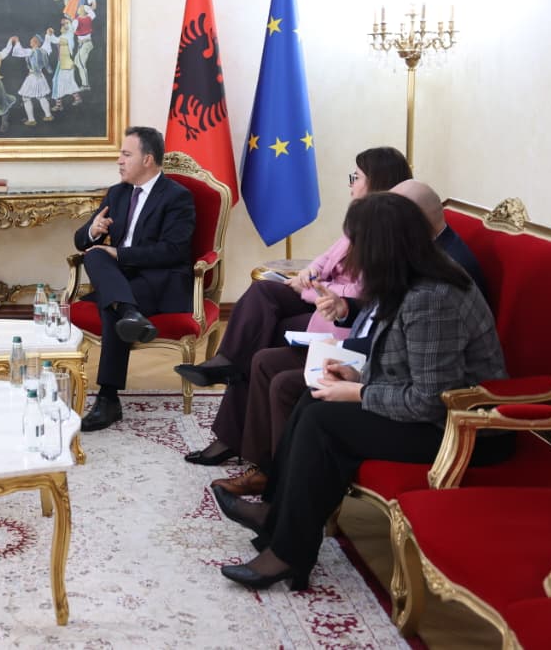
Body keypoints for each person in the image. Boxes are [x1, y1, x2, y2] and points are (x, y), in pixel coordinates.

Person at [211, 192, 511, 591]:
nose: (351, 256)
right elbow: (403, 359)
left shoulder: (432, 298)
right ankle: (276, 516)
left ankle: (287, 552)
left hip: (462, 429)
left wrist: (359, 392)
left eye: (358, 244)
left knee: (324, 419)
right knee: (313, 396)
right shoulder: (408, 277)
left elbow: (431, 401)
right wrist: (356, 373)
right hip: (430, 410)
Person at [218, 179, 490, 497]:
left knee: (305, 398)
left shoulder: (436, 284)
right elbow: (391, 322)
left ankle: (279, 495)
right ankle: (270, 481)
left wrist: (359, 382)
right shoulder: (417, 259)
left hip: (438, 412)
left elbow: (429, 389)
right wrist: (346, 313)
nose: (359, 254)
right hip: (388, 365)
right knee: (273, 363)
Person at [176, 146, 411, 466]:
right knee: (263, 293)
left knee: (261, 339)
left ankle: (234, 435)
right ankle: (226, 362)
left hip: (342, 320)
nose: (351, 184)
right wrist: (307, 274)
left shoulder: (389, 230)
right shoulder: (361, 219)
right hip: (322, 301)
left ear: (377, 181)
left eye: (356, 177)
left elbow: (363, 293)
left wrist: (311, 291)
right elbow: (326, 258)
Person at [75, 127, 195, 431]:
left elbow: (173, 251)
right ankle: (129, 312)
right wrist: (93, 231)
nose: (119, 160)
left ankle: (108, 398)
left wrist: (119, 254)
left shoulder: (177, 197)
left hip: (160, 281)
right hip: (124, 280)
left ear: (148, 159)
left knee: (110, 302)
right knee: (94, 255)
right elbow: (80, 240)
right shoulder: (117, 193)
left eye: (126, 154)